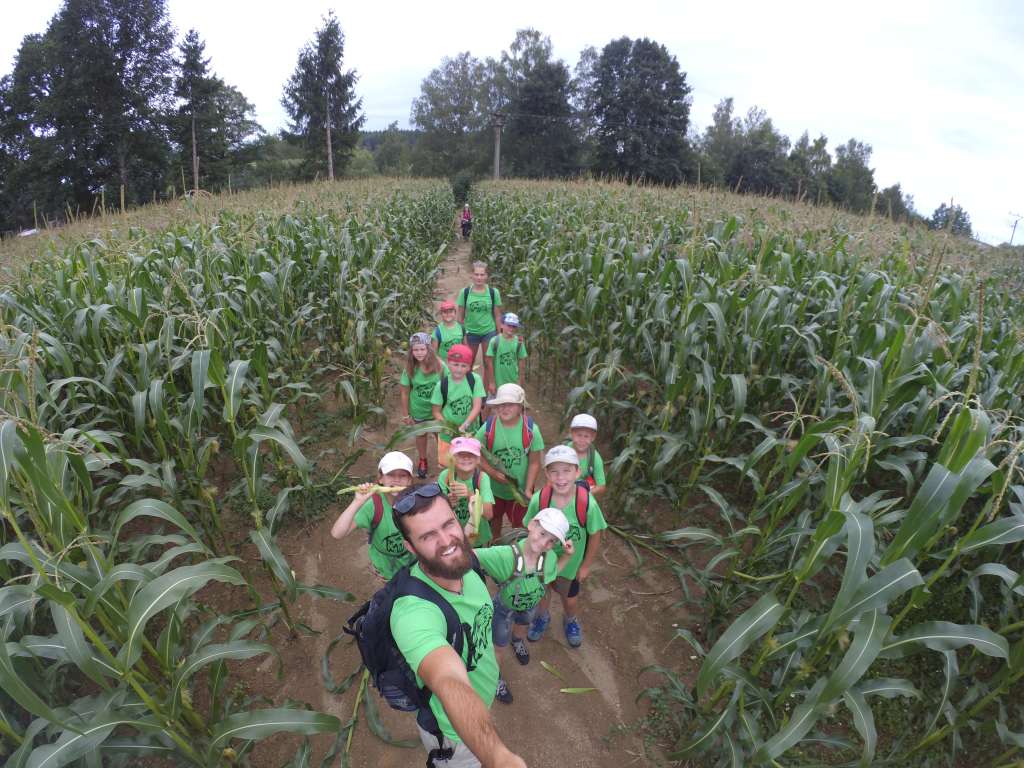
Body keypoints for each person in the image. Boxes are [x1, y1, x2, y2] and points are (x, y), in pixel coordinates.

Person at [389, 484, 527, 768]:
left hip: (482, 700)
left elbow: (525, 552)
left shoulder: (466, 562)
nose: (446, 541)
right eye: (428, 535)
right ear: (410, 547)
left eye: (448, 524)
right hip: (454, 734)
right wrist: (499, 757)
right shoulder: (412, 613)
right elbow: (448, 679)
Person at [522, 445, 608, 649]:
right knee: (542, 592)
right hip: (543, 562)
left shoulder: (587, 504)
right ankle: (542, 616)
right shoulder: (540, 500)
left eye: (567, 471)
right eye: (554, 471)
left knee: (570, 600)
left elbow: (595, 534)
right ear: (547, 474)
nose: (561, 478)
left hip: (570, 566)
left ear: (577, 472)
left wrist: (585, 566)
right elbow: (529, 526)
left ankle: (570, 620)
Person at [476, 507, 574, 669]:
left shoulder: (549, 557)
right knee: (498, 645)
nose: (544, 543)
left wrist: (567, 556)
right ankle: (495, 676)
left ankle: (517, 640)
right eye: (542, 533)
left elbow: (554, 571)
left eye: (552, 541)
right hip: (504, 610)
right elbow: (469, 554)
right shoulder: (505, 556)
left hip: (530, 606)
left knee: (523, 623)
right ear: (531, 525)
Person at [330, 452, 416, 580]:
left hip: (414, 562)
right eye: (390, 474)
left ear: (409, 480)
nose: (397, 480)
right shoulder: (373, 506)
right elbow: (337, 533)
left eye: (402, 475)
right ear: (381, 479)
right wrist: (357, 502)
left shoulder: (416, 501)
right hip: (386, 567)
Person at [474, 384, 543, 541]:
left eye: (510, 404)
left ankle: (517, 545)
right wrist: (492, 473)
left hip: (520, 490)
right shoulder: (488, 428)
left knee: (520, 523)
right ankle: (495, 541)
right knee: (494, 517)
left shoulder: (531, 430)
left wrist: (528, 489)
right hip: (493, 488)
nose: (504, 408)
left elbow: (534, 462)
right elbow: (475, 453)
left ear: (520, 407)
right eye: (501, 404)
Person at [401, 332, 448, 478]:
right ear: (411, 351)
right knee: (421, 435)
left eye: (422, 349)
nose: (419, 353)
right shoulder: (410, 368)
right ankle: (423, 460)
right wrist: (406, 415)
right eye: (416, 350)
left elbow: (449, 385)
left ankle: (444, 460)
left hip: (437, 410)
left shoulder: (440, 366)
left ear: (429, 349)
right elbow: (405, 392)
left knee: (440, 435)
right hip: (419, 410)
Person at [431, 344, 485, 467]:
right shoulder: (442, 385)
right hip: (448, 436)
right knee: (448, 465)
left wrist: (465, 425)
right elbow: (436, 411)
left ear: (469, 367)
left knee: (468, 463)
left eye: (463, 366)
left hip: (470, 432)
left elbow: (477, 406)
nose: (459, 369)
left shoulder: (474, 380)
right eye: (455, 364)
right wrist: (447, 427)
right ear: (448, 363)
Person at [437, 436, 495, 547]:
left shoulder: (482, 478)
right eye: (460, 454)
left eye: (471, 455)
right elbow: (438, 512)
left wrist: (470, 495)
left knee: (475, 556)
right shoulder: (445, 476)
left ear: (478, 459)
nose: (466, 458)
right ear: (452, 458)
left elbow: (488, 514)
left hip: (477, 535)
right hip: (453, 535)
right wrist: (448, 503)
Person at [456, 262, 502, 392]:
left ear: (487, 276)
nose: (479, 277)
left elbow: (497, 315)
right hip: (470, 333)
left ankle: (484, 392)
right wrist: (461, 336)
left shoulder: (493, 293)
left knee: (488, 363)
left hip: (489, 331)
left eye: (482, 274)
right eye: (476, 274)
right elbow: (460, 317)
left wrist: (499, 335)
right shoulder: (465, 293)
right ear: (472, 275)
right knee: (468, 363)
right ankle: (469, 390)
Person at [485, 313, 527, 395]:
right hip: (498, 382)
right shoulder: (494, 341)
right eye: (509, 325)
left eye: (514, 326)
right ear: (502, 325)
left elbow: (522, 362)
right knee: (494, 401)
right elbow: (489, 362)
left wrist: (520, 381)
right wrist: (492, 382)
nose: (511, 328)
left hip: (513, 382)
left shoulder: (519, 342)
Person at [566, 413, 607, 498]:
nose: (582, 440)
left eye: (586, 436)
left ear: (593, 437)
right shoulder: (564, 451)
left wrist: (583, 494)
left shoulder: (595, 458)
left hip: (583, 494)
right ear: (571, 433)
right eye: (579, 435)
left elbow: (601, 486)